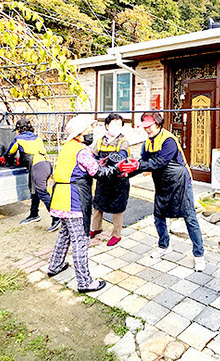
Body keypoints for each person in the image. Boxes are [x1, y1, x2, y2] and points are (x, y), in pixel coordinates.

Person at [119, 112, 206, 272]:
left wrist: (137, 166)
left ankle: (199, 255)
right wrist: (125, 172)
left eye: (149, 126)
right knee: (158, 216)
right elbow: (143, 163)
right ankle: (164, 245)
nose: (147, 130)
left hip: (181, 183)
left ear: (158, 123)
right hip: (162, 184)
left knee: (189, 217)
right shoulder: (147, 144)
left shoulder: (169, 140)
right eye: (144, 127)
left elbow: (160, 162)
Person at [47, 115, 118, 293]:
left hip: (61, 199)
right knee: (80, 240)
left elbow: (80, 167)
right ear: (78, 134)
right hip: (74, 200)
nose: (91, 133)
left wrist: (99, 162)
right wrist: (116, 168)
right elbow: (96, 172)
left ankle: (54, 266)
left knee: (65, 234)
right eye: (88, 130)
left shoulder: (68, 148)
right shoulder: (82, 150)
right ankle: (85, 282)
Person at [0, 118, 60, 232]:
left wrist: (4, 158)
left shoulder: (18, 139)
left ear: (18, 130)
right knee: (35, 191)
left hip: (38, 167)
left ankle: (56, 217)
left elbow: (10, 153)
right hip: (46, 165)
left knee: (42, 192)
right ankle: (34, 214)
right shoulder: (37, 138)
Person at [90, 113, 130, 246]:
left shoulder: (123, 141)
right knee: (98, 204)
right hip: (103, 179)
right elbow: (94, 155)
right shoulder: (101, 140)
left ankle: (116, 234)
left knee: (118, 207)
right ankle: (96, 228)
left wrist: (109, 164)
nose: (116, 127)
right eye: (113, 124)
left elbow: (122, 157)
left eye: (119, 124)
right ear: (107, 125)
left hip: (118, 180)